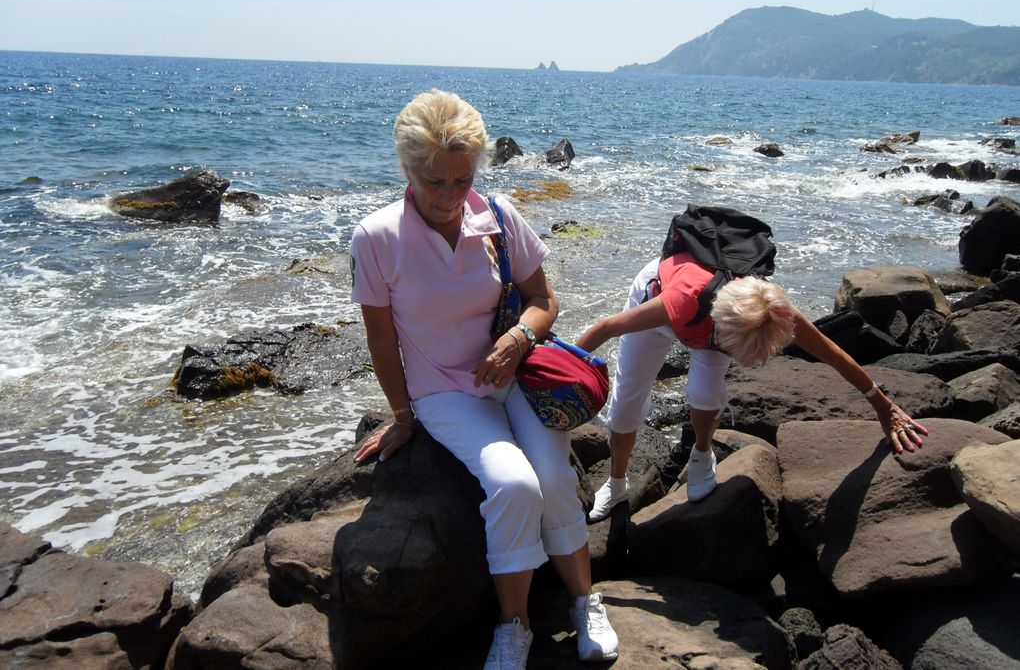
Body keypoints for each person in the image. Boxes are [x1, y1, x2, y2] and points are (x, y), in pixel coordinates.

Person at [350, 89, 618, 669]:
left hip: (517, 376)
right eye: (434, 182)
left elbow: (543, 298)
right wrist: (402, 418)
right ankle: (513, 625)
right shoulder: (377, 238)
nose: (449, 197)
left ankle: (584, 601)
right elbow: (380, 339)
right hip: (444, 391)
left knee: (551, 477)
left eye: (461, 180)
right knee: (514, 484)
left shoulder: (496, 215)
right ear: (406, 170)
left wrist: (519, 337)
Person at [577, 247, 930, 522]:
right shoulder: (678, 302)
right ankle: (618, 483)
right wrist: (557, 372)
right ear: (720, 329)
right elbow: (603, 329)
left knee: (705, 393)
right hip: (672, 308)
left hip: (717, 325)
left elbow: (833, 354)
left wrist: (883, 405)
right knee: (624, 408)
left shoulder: (772, 310)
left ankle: (702, 454)